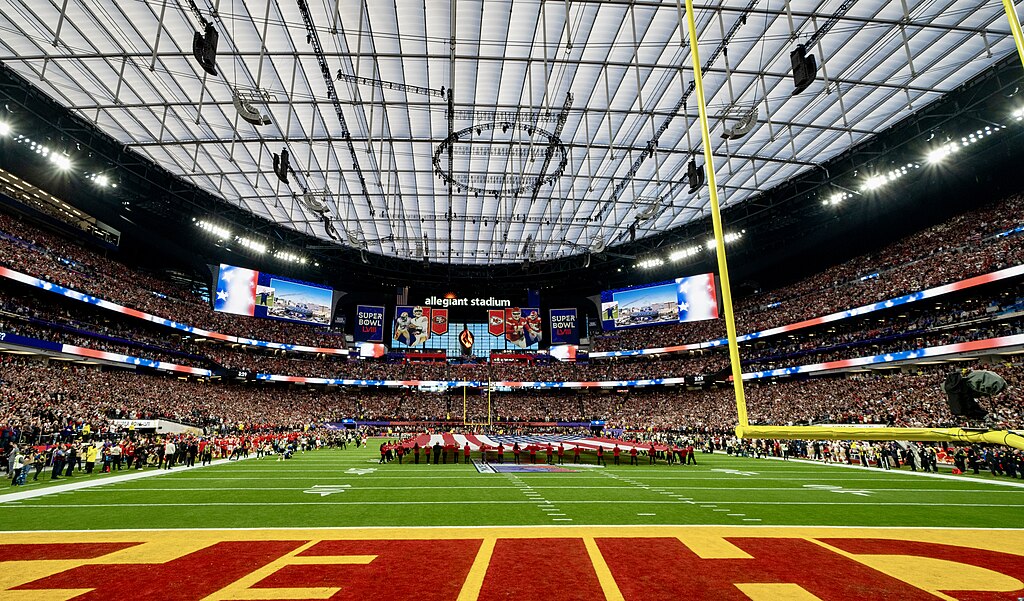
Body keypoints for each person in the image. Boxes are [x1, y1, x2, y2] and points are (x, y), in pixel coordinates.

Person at [943, 369, 1008, 426]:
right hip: (965, 393)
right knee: (968, 404)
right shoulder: (963, 386)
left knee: (968, 405)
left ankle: (979, 418)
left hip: (964, 395)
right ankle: (981, 418)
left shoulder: (957, 387)